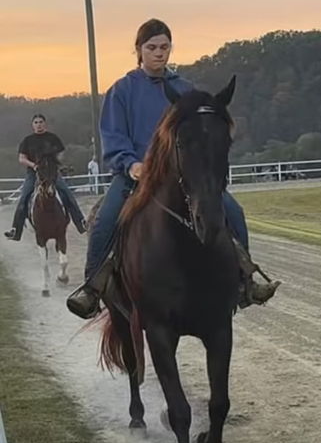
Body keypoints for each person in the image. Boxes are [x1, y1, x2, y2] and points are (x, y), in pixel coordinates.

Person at [67, 19, 279, 319]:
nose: (159, 53)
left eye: (164, 47)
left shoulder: (184, 89)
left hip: (180, 177)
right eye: (151, 47)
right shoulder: (122, 90)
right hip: (134, 175)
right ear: (138, 50)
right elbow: (112, 137)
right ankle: (92, 288)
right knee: (105, 219)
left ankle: (246, 279)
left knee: (233, 211)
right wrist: (131, 164)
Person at [4, 114, 87, 241]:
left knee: (67, 193)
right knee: (24, 197)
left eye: (41, 122)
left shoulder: (53, 138)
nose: (39, 124)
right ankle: (16, 230)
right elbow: (22, 158)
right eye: (36, 122)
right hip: (34, 174)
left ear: (45, 123)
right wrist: (34, 165)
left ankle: (81, 222)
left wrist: (56, 162)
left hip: (51, 174)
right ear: (32, 125)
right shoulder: (27, 141)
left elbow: (61, 154)